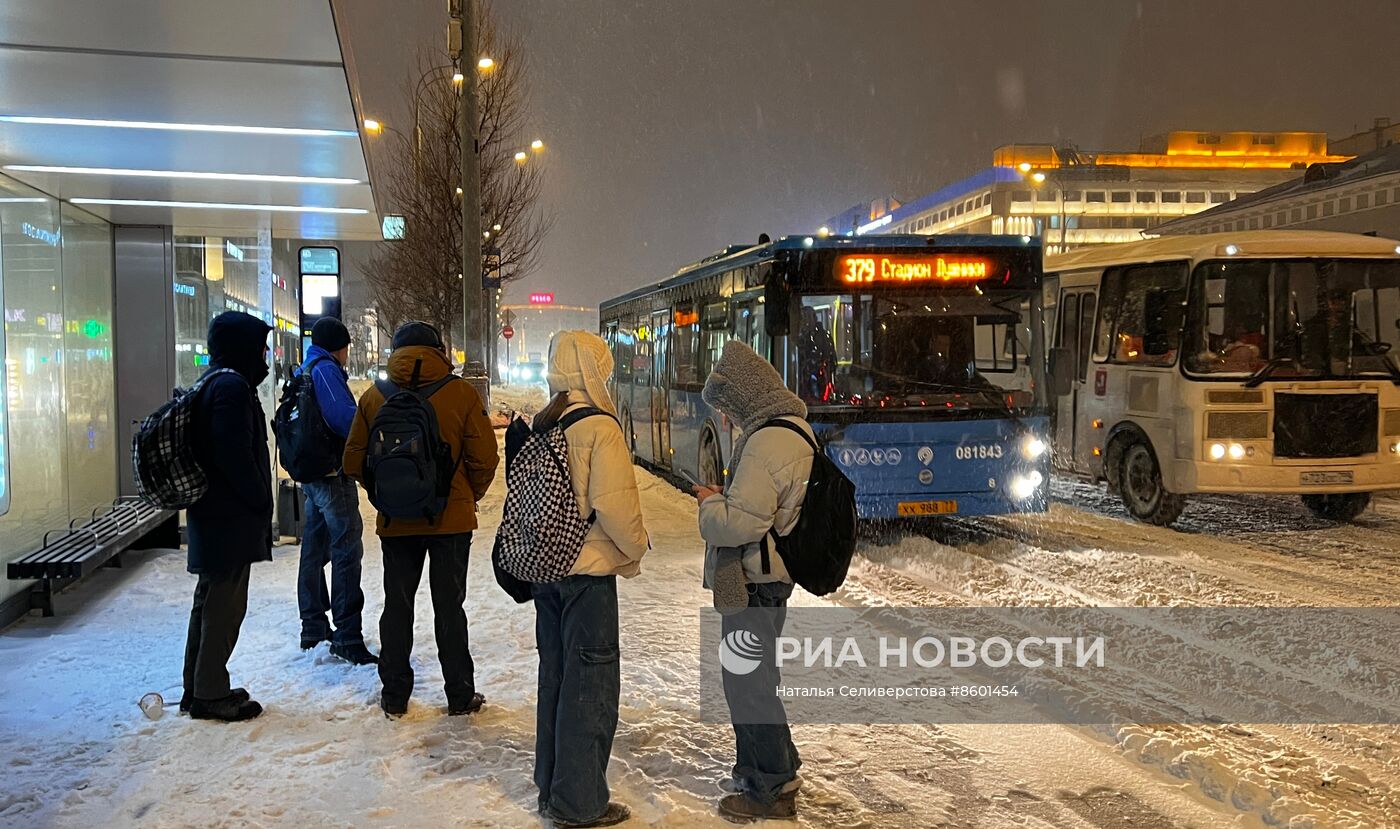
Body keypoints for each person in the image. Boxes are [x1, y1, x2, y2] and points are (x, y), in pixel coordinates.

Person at [343, 321, 498, 717]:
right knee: (450, 607)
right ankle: (460, 696)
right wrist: (464, 496)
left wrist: (386, 494)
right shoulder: (461, 394)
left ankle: (394, 695)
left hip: (397, 523)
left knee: (397, 605)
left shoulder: (374, 397)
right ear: (440, 351)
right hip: (451, 522)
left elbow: (352, 459)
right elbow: (485, 459)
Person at [528, 331, 649, 829]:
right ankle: (578, 802)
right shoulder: (600, 428)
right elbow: (616, 507)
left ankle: (552, 785)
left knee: (555, 678)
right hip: (588, 576)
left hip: (547, 573)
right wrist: (638, 547)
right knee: (591, 688)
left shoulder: (545, 421)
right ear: (591, 371)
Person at [694, 340, 811, 822]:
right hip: (769, 576)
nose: (729, 417)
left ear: (745, 394)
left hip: (757, 580)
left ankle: (772, 785)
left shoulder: (766, 441)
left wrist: (707, 503)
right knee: (755, 676)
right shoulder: (790, 428)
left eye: (729, 406)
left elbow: (740, 523)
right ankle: (764, 765)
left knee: (747, 682)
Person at [182, 311, 275, 722]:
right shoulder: (231, 388)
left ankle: (198, 685)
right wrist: (259, 497)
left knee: (210, 600)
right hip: (228, 516)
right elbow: (233, 453)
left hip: (215, 513)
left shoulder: (214, 382)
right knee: (224, 603)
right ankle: (209, 692)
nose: (266, 355)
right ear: (242, 348)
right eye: (260, 347)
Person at [296, 317, 376, 665]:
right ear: (339, 347)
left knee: (313, 550)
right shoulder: (326, 370)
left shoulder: (304, 367)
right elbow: (345, 418)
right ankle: (347, 634)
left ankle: (313, 624)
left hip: (311, 476)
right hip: (331, 475)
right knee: (346, 550)